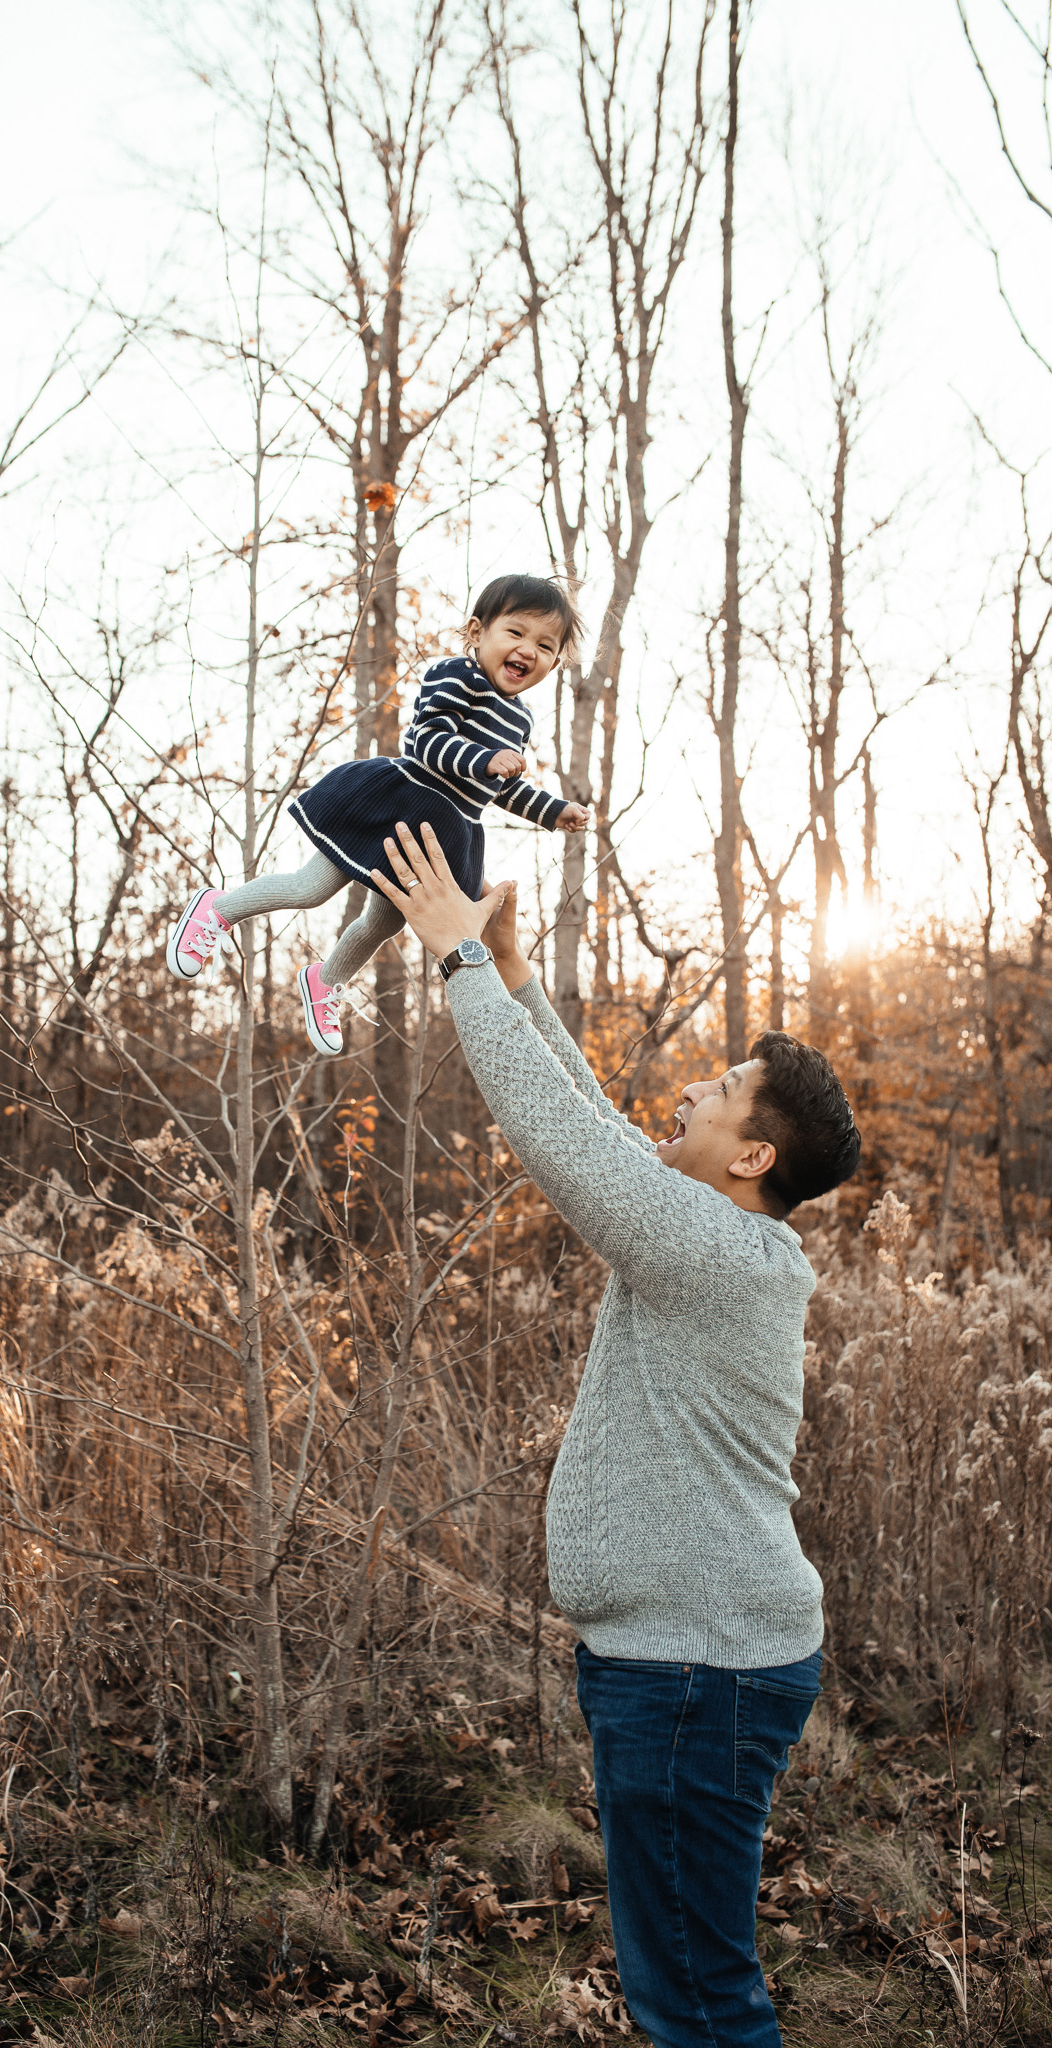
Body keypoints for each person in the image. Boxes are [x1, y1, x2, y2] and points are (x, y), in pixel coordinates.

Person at [369, 819, 862, 2048]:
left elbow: (564, 1144)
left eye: (720, 1087)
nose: (689, 1085)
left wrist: (457, 964)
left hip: (699, 1671)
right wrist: (519, 975)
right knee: (684, 1978)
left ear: (751, 1153)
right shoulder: (715, 1234)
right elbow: (598, 1129)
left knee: (695, 1998)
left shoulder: (719, 1250)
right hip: (685, 1660)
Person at [164, 574, 589, 1056]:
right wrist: (483, 758)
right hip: (397, 804)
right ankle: (217, 909)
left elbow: (498, 787)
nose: (528, 650)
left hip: (438, 837)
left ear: (554, 663)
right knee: (312, 888)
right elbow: (426, 741)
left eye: (545, 644)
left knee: (385, 923)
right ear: (476, 632)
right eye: (515, 633)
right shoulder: (457, 675)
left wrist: (554, 812)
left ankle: (325, 981)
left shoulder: (520, 718)